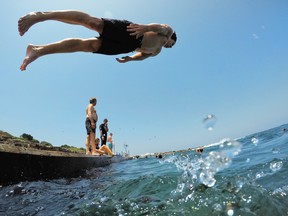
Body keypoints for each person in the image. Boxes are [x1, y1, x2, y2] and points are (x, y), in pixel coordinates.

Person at [18, 10, 177, 71]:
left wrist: (129, 59)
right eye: (172, 44)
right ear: (171, 39)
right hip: (135, 32)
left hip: (126, 47)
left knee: (88, 46)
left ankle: (38, 50)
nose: (170, 46)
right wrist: (145, 27)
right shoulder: (167, 33)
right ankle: (41, 15)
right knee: (93, 23)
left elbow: (143, 56)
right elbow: (162, 27)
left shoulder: (156, 51)